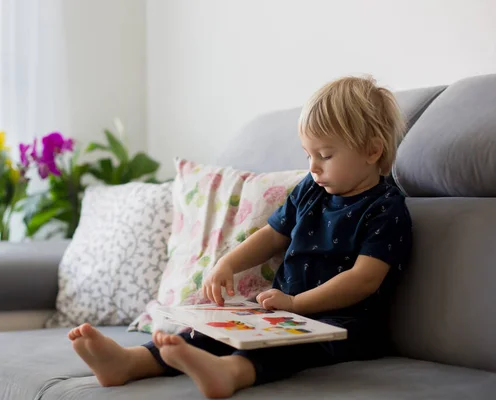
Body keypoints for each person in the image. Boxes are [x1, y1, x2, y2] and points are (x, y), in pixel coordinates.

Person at [68, 75, 413, 399]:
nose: (314, 167)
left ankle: (230, 373)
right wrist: (228, 263)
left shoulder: (386, 209)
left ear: (372, 151)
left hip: (346, 325)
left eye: (325, 155)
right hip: (286, 313)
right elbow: (273, 234)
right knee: (216, 331)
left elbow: (363, 280)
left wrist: (296, 304)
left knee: (286, 348)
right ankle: (129, 363)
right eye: (308, 155)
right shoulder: (311, 190)